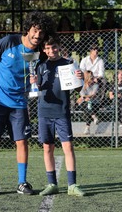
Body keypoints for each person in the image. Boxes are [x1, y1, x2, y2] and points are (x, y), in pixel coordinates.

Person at [0, 11, 54, 196]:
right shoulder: (9, 42)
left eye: (41, 32)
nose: (37, 35)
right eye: (35, 31)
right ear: (28, 28)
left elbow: (47, 65)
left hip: (19, 103)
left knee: (22, 141)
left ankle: (22, 183)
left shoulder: (40, 52)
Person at [34, 35, 85, 196]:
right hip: (44, 112)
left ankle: (72, 185)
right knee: (47, 147)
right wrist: (34, 83)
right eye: (47, 48)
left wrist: (80, 79)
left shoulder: (68, 63)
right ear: (43, 49)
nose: (51, 51)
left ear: (59, 46)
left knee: (68, 147)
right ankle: (52, 184)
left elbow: (77, 89)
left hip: (62, 112)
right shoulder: (41, 65)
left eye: (54, 47)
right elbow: (38, 88)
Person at [76, 70, 99, 135]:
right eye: (91, 77)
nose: (93, 78)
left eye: (93, 77)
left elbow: (93, 95)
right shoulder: (82, 85)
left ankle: (87, 128)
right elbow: (84, 96)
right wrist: (85, 97)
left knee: (87, 108)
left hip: (94, 102)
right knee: (86, 105)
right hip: (84, 103)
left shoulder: (95, 85)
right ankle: (94, 116)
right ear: (87, 77)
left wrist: (83, 97)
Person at [109, 70, 122, 134]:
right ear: (117, 76)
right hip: (115, 102)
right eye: (121, 74)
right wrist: (116, 96)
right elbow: (110, 96)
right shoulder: (113, 84)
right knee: (117, 108)